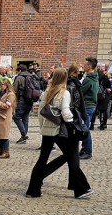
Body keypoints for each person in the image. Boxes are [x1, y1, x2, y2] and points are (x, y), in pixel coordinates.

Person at [26, 66, 92, 199]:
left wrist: (42, 127)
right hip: (60, 129)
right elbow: (66, 112)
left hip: (47, 129)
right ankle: (81, 189)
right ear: (65, 78)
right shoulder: (64, 93)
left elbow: (40, 112)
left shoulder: (47, 92)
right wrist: (73, 123)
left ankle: (33, 190)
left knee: (43, 158)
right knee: (71, 157)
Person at [78, 57, 98, 159]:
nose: (83, 66)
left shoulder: (89, 79)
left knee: (85, 129)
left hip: (87, 105)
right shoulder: (95, 77)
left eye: (85, 65)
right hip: (91, 105)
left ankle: (87, 151)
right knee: (84, 128)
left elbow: (80, 92)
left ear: (89, 66)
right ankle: (84, 149)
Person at [0, 76, 16, 158]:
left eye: (2, 84)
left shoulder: (11, 95)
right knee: (0, 135)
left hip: (5, 117)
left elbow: (7, 106)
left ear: (7, 85)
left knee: (4, 135)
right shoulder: (5, 94)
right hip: (1, 116)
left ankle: (6, 151)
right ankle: (1, 150)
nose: (1, 86)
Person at [12, 64, 35, 144]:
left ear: (20, 70)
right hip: (30, 101)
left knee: (16, 117)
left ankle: (24, 135)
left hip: (21, 101)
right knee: (25, 119)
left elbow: (14, 90)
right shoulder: (31, 76)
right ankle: (23, 137)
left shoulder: (19, 78)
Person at [91, 64, 112, 130]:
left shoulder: (94, 76)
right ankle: (103, 124)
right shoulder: (105, 76)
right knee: (103, 110)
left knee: (94, 110)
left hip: (95, 94)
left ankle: (92, 125)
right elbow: (109, 87)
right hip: (104, 95)